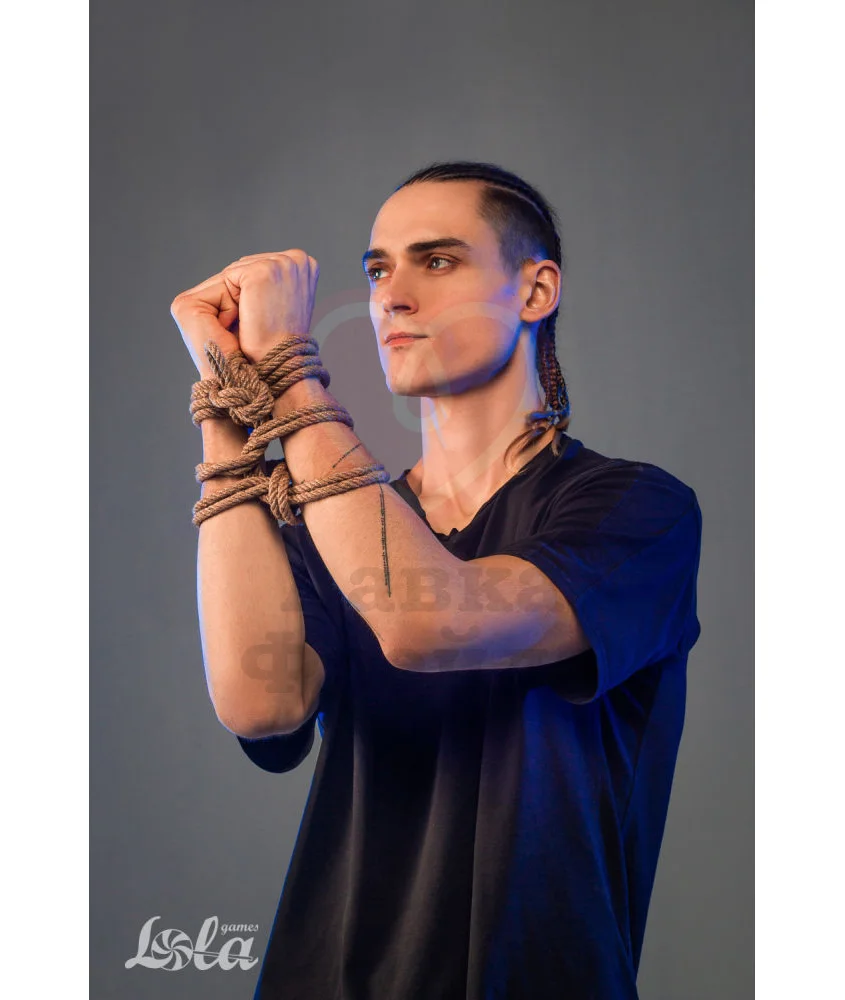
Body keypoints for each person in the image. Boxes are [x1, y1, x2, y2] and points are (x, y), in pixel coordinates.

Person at [171, 160, 703, 999]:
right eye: (377, 270)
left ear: (535, 291)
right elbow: (259, 703)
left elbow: (428, 621)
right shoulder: (334, 525)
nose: (392, 296)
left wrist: (289, 372)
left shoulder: (637, 509)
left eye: (439, 260)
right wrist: (226, 405)